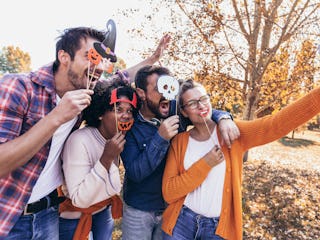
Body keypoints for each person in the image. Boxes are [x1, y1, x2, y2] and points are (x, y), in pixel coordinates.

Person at [0, 26, 170, 239]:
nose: (97, 66)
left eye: (101, 60)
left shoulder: (86, 92)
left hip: (48, 213)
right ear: (63, 56)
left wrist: (153, 58)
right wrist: (56, 117)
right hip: (9, 216)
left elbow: (122, 77)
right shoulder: (18, 87)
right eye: (90, 57)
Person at [161, 79, 320, 240]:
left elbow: (276, 125)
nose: (201, 106)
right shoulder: (179, 142)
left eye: (204, 99)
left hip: (217, 229)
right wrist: (206, 163)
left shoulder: (233, 133)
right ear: (184, 111)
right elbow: (169, 192)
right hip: (180, 223)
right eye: (193, 103)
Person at [120, 66, 240, 240]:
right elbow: (135, 173)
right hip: (139, 210)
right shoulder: (130, 125)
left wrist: (223, 117)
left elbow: (200, 109)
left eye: (170, 88)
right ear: (141, 93)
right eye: (159, 89)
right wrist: (160, 138)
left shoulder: (177, 114)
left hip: (171, 208)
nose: (167, 95)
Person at [59, 79, 138, 240]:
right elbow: (80, 199)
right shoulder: (79, 140)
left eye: (130, 111)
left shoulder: (116, 138)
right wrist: (106, 159)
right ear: (101, 113)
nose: (126, 116)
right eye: (118, 109)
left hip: (103, 212)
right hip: (74, 219)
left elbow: (113, 186)